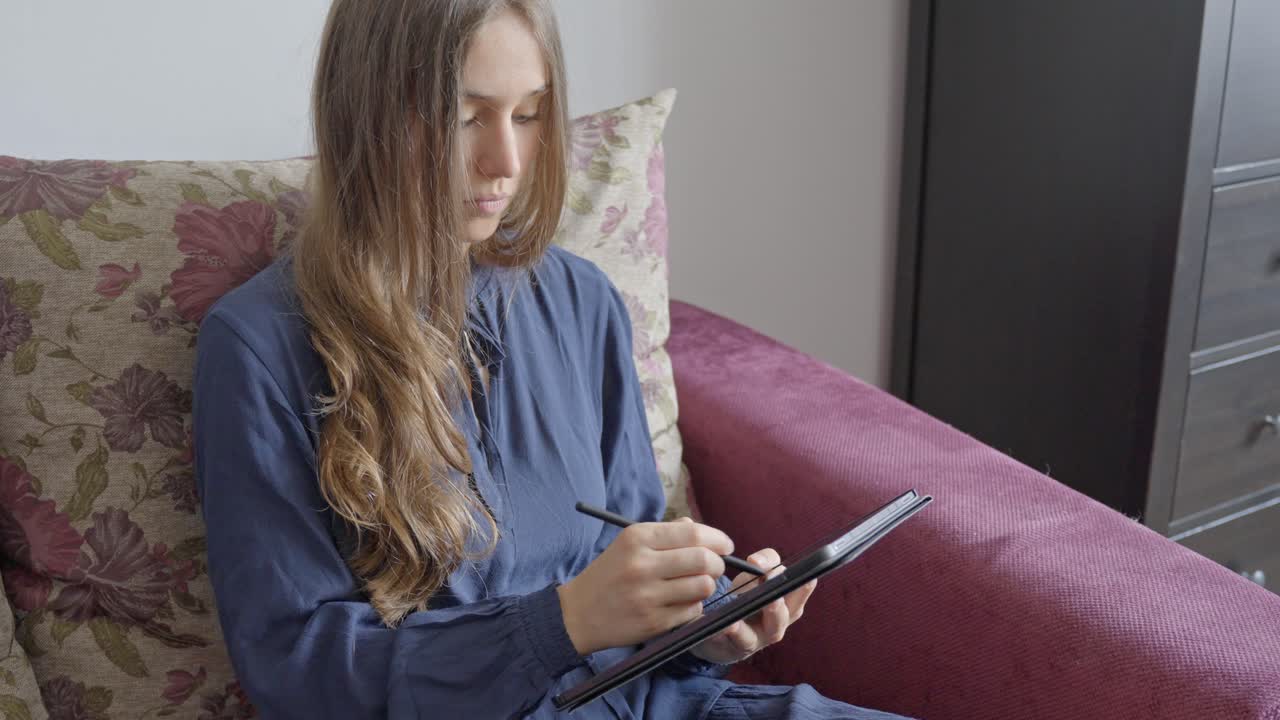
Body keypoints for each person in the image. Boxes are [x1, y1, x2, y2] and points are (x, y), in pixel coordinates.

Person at [191, 1, 916, 717]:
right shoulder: (260, 347)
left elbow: (629, 559)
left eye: (529, 114)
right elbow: (298, 668)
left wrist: (707, 626)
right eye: (465, 116)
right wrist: (558, 624)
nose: (505, 162)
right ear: (369, 114)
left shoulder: (580, 299)